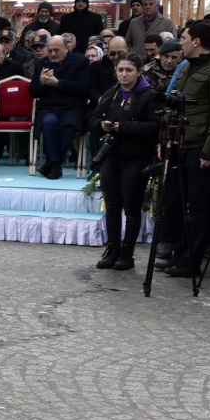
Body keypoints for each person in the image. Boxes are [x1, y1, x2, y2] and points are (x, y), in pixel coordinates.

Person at [159, 21, 210, 279]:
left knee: (198, 206)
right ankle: (180, 254)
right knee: (173, 203)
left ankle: (191, 260)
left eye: (184, 38)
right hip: (178, 143)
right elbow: (174, 105)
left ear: (197, 42)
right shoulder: (186, 68)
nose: (181, 43)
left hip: (200, 146)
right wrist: (164, 139)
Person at [89, 53, 159, 270]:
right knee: (112, 206)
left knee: (131, 207)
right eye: (120, 70)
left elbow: (155, 127)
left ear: (139, 72)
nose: (124, 74)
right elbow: (92, 120)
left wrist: (124, 127)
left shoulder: (149, 95)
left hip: (136, 158)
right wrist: (103, 125)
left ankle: (127, 252)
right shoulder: (112, 93)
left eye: (129, 70)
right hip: (112, 156)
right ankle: (113, 248)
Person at [28, 34, 89, 178]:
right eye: (49, 51)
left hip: (72, 106)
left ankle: (53, 162)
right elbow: (32, 92)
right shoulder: (41, 63)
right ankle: (55, 164)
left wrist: (58, 83)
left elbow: (83, 88)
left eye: (57, 50)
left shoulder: (81, 61)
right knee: (49, 122)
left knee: (68, 126)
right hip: (49, 106)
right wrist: (41, 82)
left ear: (67, 48)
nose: (53, 54)